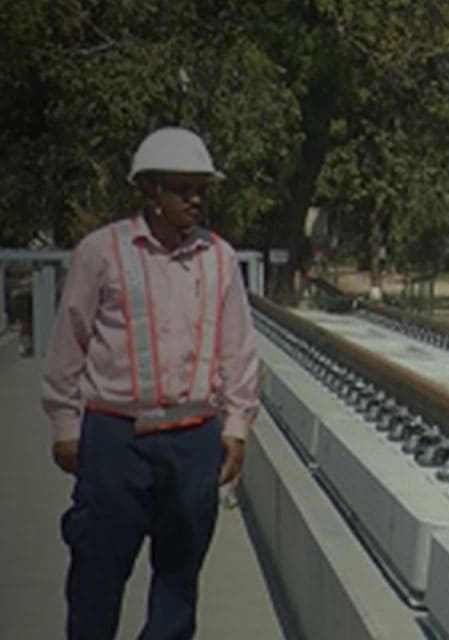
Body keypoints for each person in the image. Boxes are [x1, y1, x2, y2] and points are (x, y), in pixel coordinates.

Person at [41, 126, 261, 639]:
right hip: (117, 438)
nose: (196, 200)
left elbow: (239, 348)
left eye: (201, 188)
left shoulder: (219, 259)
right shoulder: (103, 252)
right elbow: (69, 341)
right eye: (182, 189)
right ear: (150, 191)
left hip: (194, 438)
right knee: (97, 576)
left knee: (178, 585)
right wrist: (64, 424)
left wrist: (237, 426)